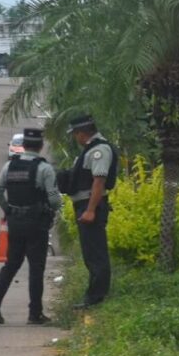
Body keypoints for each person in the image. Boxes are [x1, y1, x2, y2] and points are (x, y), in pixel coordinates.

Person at [0, 128, 62, 325]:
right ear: (41, 146)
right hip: (36, 224)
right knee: (36, 268)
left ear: (23, 145)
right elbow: (54, 199)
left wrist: (9, 210)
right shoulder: (44, 169)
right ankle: (35, 313)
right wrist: (54, 209)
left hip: (15, 224)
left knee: (11, 265)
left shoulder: (9, 166)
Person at [63, 114, 117, 309]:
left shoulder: (99, 150)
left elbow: (99, 181)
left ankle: (96, 297)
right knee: (90, 252)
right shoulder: (90, 150)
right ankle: (94, 294)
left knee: (96, 253)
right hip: (84, 204)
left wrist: (90, 210)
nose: (75, 138)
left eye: (75, 134)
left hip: (90, 205)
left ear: (82, 133)